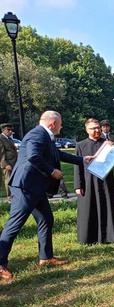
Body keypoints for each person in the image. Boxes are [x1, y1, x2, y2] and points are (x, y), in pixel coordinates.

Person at [0, 111, 94, 282]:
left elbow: (57, 155)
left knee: (46, 220)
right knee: (14, 225)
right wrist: (52, 171)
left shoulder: (46, 136)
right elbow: (33, 157)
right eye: (60, 123)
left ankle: (46, 257)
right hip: (25, 187)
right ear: (53, 124)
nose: (62, 126)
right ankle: (0, 264)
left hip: (35, 188)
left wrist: (83, 160)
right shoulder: (37, 134)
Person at [74, 118, 114, 244]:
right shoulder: (81, 145)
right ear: (87, 130)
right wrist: (78, 185)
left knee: (107, 207)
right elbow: (77, 166)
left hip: (105, 181)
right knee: (88, 209)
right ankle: (88, 238)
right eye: (93, 128)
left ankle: (109, 236)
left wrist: (113, 149)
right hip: (88, 182)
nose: (96, 130)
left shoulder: (107, 143)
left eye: (97, 128)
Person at [0, 123, 18, 201]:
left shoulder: (9, 138)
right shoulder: (0, 138)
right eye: (8, 130)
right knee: (8, 179)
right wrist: (5, 164)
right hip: (7, 164)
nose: (10, 131)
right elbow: (1, 153)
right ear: (3, 130)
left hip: (14, 162)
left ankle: (15, 195)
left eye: (11, 130)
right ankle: (10, 197)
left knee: (14, 179)